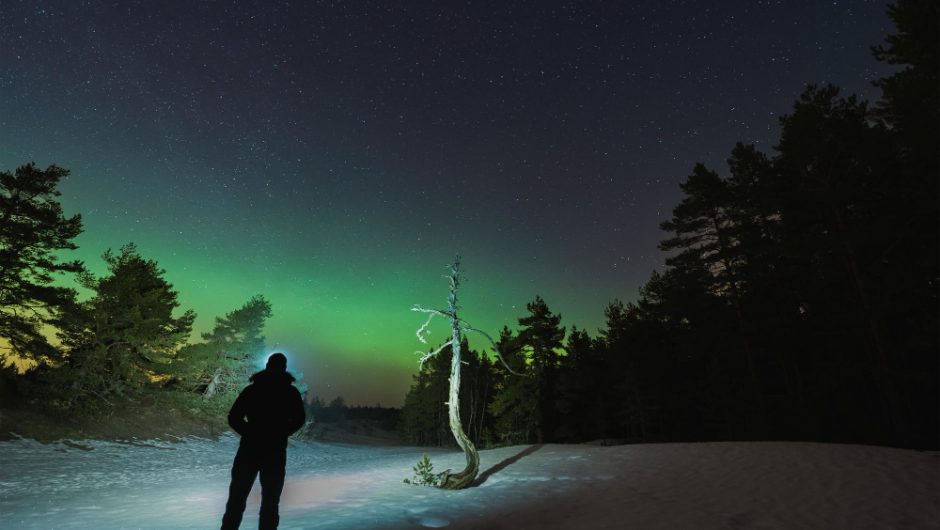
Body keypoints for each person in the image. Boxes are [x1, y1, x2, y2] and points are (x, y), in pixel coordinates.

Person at [220, 352, 306, 530]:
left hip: (248, 450)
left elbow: (234, 417)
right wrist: (281, 433)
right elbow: (299, 420)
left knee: (236, 499)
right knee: (270, 503)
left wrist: (249, 433)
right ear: (284, 368)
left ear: (267, 366)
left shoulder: (252, 390)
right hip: (274, 453)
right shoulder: (290, 392)